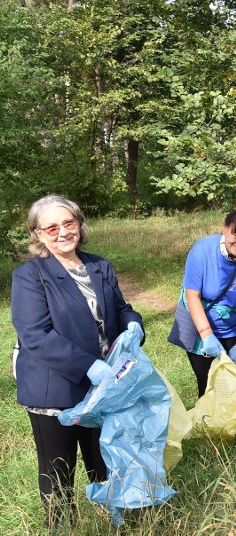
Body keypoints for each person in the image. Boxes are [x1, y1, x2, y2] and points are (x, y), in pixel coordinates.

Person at [11, 195, 144, 528]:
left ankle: (111, 522)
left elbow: (119, 307)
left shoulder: (99, 266)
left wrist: (133, 322)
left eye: (68, 223)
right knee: (57, 468)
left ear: (79, 224)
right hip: (54, 388)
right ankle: (63, 527)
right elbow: (35, 336)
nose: (62, 233)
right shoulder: (30, 276)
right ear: (37, 234)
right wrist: (90, 366)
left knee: (103, 458)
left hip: (104, 388)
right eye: (51, 227)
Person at [182, 197, 236, 397]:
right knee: (208, 386)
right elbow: (192, 296)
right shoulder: (202, 251)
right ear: (225, 228)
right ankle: (209, 425)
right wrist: (206, 335)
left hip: (234, 328)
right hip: (200, 327)